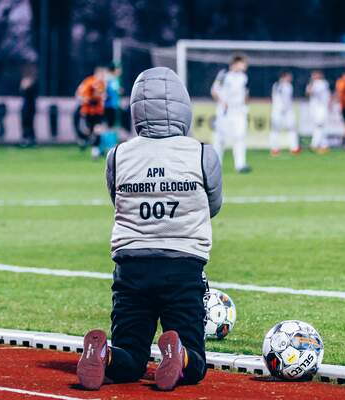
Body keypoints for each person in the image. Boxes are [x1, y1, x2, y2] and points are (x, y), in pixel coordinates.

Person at [77, 67, 223, 392]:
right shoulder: (202, 153)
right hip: (183, 266)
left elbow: (117, 200)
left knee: (130, 356)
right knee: (196, 363)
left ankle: (105, 355)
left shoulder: (118, 155)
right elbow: (213, 206)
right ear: (183, 106)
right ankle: (179, 353)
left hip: (131, 268)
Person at [211, 54, 251, 173]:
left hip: (239, 111)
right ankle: (216, 165)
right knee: (220, 139)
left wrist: (245, 105)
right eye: (243, 63)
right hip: (225, 111)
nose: (245, 66)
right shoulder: (224, 75)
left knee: (240, 136)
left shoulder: (244, 77)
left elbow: (245, 93)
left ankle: (240, 165)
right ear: (235, 63)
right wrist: (223, 102)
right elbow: (214, 91)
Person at [76, 66, 107, 158]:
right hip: (88, 111)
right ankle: (84, 140)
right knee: (89, 131)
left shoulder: (102, 84)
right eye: (101, 74)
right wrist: (88, 100)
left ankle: (95, 150)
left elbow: (102, 96)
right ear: (96, 74)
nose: (102, 76)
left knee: (98, 130)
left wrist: (101, 98)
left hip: (98, 112)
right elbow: (81, 95)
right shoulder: (88, 82)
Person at [269, 71, 300, 156]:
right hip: (279, 111)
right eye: (289, 76)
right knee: (275, 130)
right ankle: (275, 148)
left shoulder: (286, 85)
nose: (290, 78)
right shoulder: (279, 85)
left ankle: (294, 148)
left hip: (287, 111)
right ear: (284, 76)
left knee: (292, 129)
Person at [306, 70, 331, 153]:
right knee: (319, 127)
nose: (314, 76)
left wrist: (311, 84)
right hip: (314, 108)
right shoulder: (312, 83)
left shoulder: (323, 83)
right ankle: (324, 145)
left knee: (319, 125)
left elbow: (311, 91)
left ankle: (314, 144)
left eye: (316, 74)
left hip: (321, 108)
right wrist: (311, 83)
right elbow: (307, 93)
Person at [20, 67, 38, 146]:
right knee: (24, 122)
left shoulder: (33, 83)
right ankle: (25, 139)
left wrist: (27, 85)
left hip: (30, 106)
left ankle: (30, 140)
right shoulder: (25, 81)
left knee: (29, 123)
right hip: (25, 105)